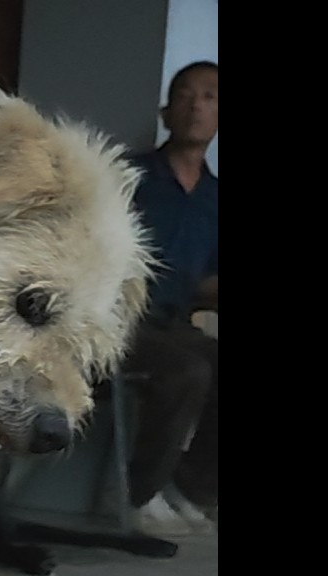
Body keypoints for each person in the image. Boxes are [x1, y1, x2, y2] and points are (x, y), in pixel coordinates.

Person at [124, 61, 219, 538]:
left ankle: (191, 486)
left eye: (209, 96)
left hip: (173, 321)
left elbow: (205, 282)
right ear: (166, 112)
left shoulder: (215, 199)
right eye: (184, 95)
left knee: (200, 357)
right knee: (189, 369)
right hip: (120, 321)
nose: (196, 105)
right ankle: (138, 495)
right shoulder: (130, 176)